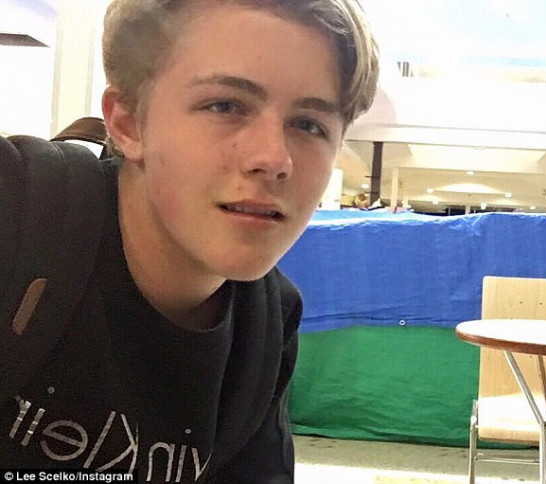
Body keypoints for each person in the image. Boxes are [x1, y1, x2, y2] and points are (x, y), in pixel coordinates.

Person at [0, 0, 379, 481]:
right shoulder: (16, 209)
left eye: (309, 125)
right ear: (128, 122)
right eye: (225, 106)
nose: (273, 158)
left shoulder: (266, 323)